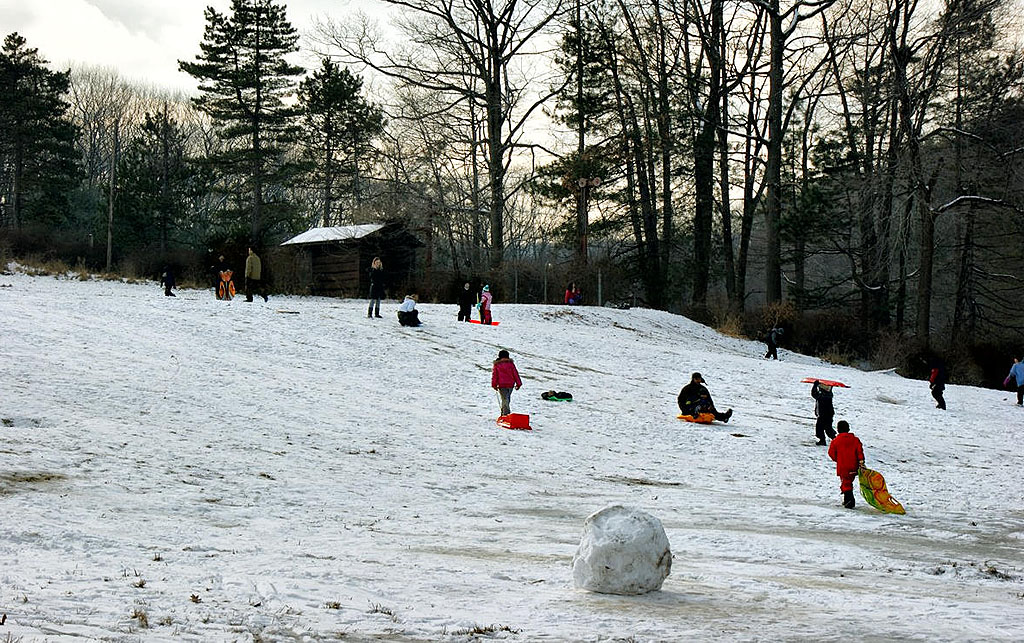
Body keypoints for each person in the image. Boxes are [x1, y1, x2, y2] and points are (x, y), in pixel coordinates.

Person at [827, 420, 865, 509]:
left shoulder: (836, 441)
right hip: (854, 466)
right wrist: (861, 462)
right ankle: (848, 500)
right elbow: (860, 452)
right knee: (848, 482)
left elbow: (831, 453)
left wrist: (838, 459)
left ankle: (849, 501)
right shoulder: (855, 440)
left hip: (843, 466)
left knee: (846, 483)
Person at [491, 349, 522, 417]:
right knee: (507, 398)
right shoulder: (511, 364)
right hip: (510, 384)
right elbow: (515, 374)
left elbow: (495, 375)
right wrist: (518, 383)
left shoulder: (497, 364)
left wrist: (494, 384)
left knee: (505, 399)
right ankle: (504, 413)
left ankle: (505, 414)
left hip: (502, 385)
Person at [811, 380, 837, 445]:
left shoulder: (822, 395)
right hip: (828, 414)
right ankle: (834, 439)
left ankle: (825, 440)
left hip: (823, 415)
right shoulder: (829, 394)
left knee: (820, 428)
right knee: (827, 428)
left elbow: (814, 394)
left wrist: (815, 386)